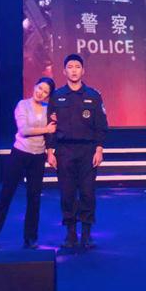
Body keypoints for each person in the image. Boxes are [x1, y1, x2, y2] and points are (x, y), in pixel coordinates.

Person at [0, 77, 56, 249]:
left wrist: (50, 148)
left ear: (48, 95)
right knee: (6, 195)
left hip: (38, 157)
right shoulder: (22, 105)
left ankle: (30, 238)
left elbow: (53, 132)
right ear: (35, 86)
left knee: (34, 199)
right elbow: (24, 130)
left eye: (45, 92)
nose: (41, 93)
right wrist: (46, 129)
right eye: (40, 88)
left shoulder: (48, 109)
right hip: (19, 154)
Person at [46, 54, 108, 249]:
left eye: (77, 67)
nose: (74, 70)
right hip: (64, 150)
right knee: (67, 193)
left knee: (88, 192)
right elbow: (50, 126)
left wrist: (99, 149)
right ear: (64, 71)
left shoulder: (93, 95)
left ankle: (87, 234)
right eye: (70, 67)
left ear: (83, 71)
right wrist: (50, 151)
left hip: (87, 150)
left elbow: (101, 126)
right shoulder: (57, 96)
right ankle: (70, 234)